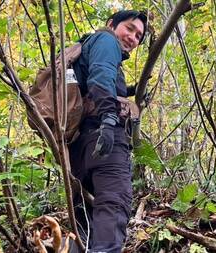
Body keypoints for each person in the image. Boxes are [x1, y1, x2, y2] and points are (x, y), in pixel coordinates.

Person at [68, 10, 147, 253]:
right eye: (130, 28)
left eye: (139, 36)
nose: (133, 37)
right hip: (104, 136)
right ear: (111, 24)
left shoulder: (87, 46)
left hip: (79, 144)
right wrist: (108, 118)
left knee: (84, 214)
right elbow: (101, 76)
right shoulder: (106, 41)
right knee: (114, 203)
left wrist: (132, 91)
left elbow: (94, 78)